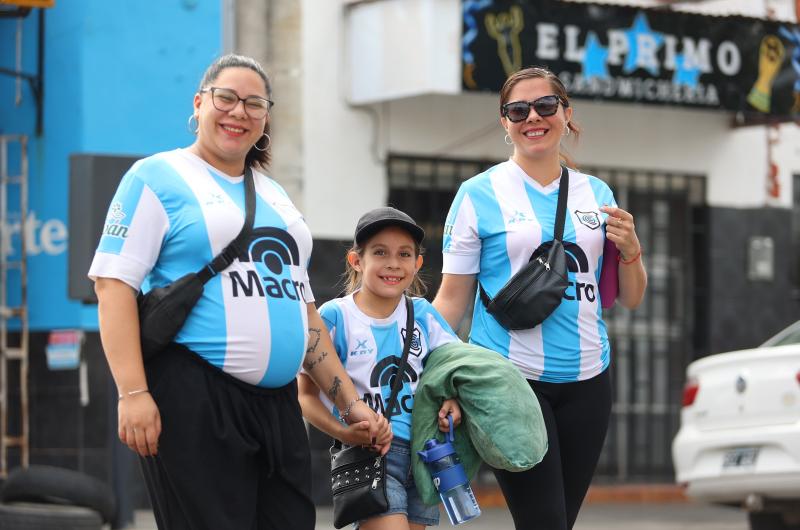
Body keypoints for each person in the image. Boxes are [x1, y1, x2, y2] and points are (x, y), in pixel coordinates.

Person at [89, 54, 389, 530]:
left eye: (254, 103)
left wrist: (351, 404)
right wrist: (133, 393)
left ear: (266, 116)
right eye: (225, 98)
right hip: (194, 396)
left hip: (276, 407)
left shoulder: (275, 195)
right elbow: (112, 285)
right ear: (199, 103)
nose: (239, 112)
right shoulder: (155, 177)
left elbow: (305, 315)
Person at [432, 66, 647, 530]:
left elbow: (627, 297)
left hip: (591, 379)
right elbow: (452, 300)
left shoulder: (597, 193)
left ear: (566, 114)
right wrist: (433, 373)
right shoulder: (477, 194)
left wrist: (632, 251)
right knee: (544, 521)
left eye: (546, 106)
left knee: (558, 522)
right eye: (518, 109)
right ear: (505, 122)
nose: (534, 117)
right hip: (510, 381)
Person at [298, 206, 462, 530]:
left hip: (426, 456)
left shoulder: (426, 315)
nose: (393, 263)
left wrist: (453, 402)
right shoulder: (334, 317)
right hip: (371, 457)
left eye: (404, 254)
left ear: (417, 264)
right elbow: (304, 396)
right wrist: (345, 433)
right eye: (380, 252)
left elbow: (455, 371)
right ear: (356, 260)